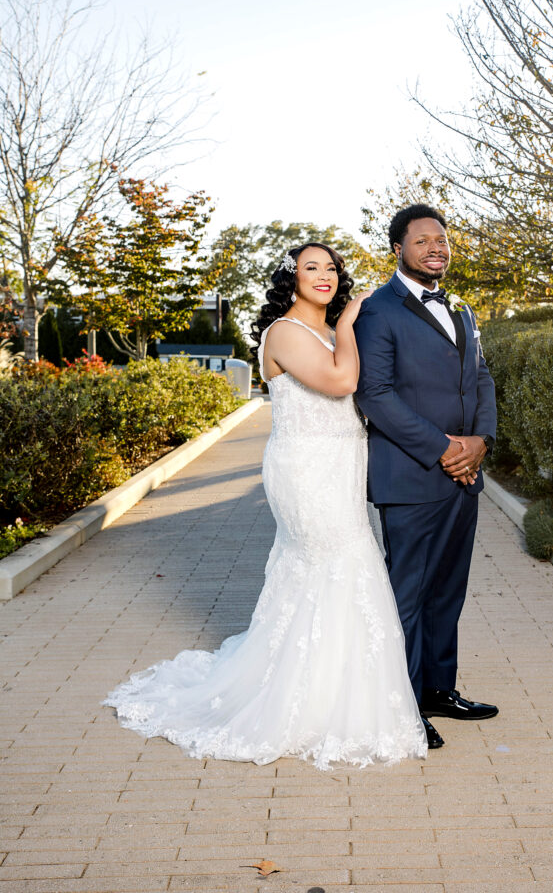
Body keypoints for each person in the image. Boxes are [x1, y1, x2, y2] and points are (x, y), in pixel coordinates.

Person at [104, 242, 427, 769]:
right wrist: (350, 323)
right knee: (343, 563)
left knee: (334, 569)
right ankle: (310, 702)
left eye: (331, 268)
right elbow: (343, 381)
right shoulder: (285, 332)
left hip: (342, 468)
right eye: (311, 268)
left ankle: (337, 690)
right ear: (290, 279)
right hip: (305, 472)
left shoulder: (324, 333)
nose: (324, 276)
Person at [354, 205, 498, 750]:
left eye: (442, 239)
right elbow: (376, 395)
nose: (436, 247)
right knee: (407, 596)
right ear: (398, 248)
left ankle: (440, 689)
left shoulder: (461, 309)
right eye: (423, 240)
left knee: (447, 592)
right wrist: (443, 450)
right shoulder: (377, 310)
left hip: (466, 474)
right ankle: (404, 707)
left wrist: (480, 442)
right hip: (413, 476)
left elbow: (481, 378)